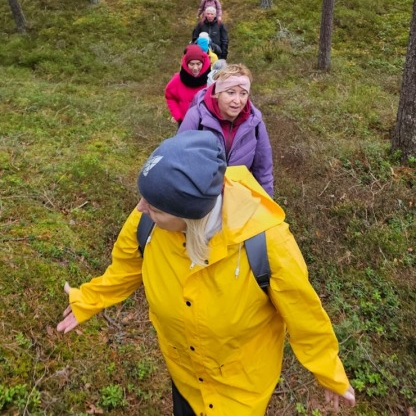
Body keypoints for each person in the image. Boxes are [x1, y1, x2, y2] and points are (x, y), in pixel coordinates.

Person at [57, 131, 356, 416]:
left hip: (240, 393)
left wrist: (328, 371)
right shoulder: (145, 222)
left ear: (189, 215)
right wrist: (89, 300)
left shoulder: (266, 242)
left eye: (155, 206)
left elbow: (305, 314)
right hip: (185, 378)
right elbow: (123, 270)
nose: (140, 207)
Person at [178, 63, 273, 195]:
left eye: (243, 94)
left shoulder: (255, 123)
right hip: (202, 198)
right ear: (217, 93)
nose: (237, 101)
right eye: (230, 92)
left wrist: (266, 206)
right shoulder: (196, 118)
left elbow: (264, 171)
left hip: (238, 199)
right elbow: (179, 162)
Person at [165, 44, 211, 126]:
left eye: (198, 64)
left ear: (203, 63)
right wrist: (178, 115)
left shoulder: (210, 79)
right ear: (186, 64)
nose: (195, 68)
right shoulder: (177, 79)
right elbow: (170, 97)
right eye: (192, 64)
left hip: (205, 123)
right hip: (185, 122)